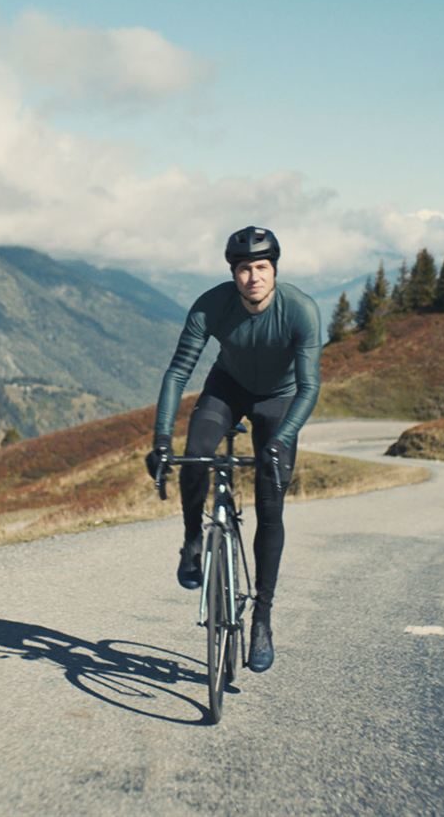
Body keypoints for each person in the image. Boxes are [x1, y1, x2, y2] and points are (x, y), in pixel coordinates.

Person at [146, 226, 321, 673]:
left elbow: (309, 387)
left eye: (261, 267)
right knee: (197, 453)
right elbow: (177, 373)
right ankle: (192, 540)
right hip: (228, 388)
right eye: (244, 269)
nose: (253, 277)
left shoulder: (300, 310)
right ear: (233, 273)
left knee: (271, 504)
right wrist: (161, 440)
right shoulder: (211, 305)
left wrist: (280, 441)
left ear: (274, 270)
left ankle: (262, 618)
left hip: (280, 399)